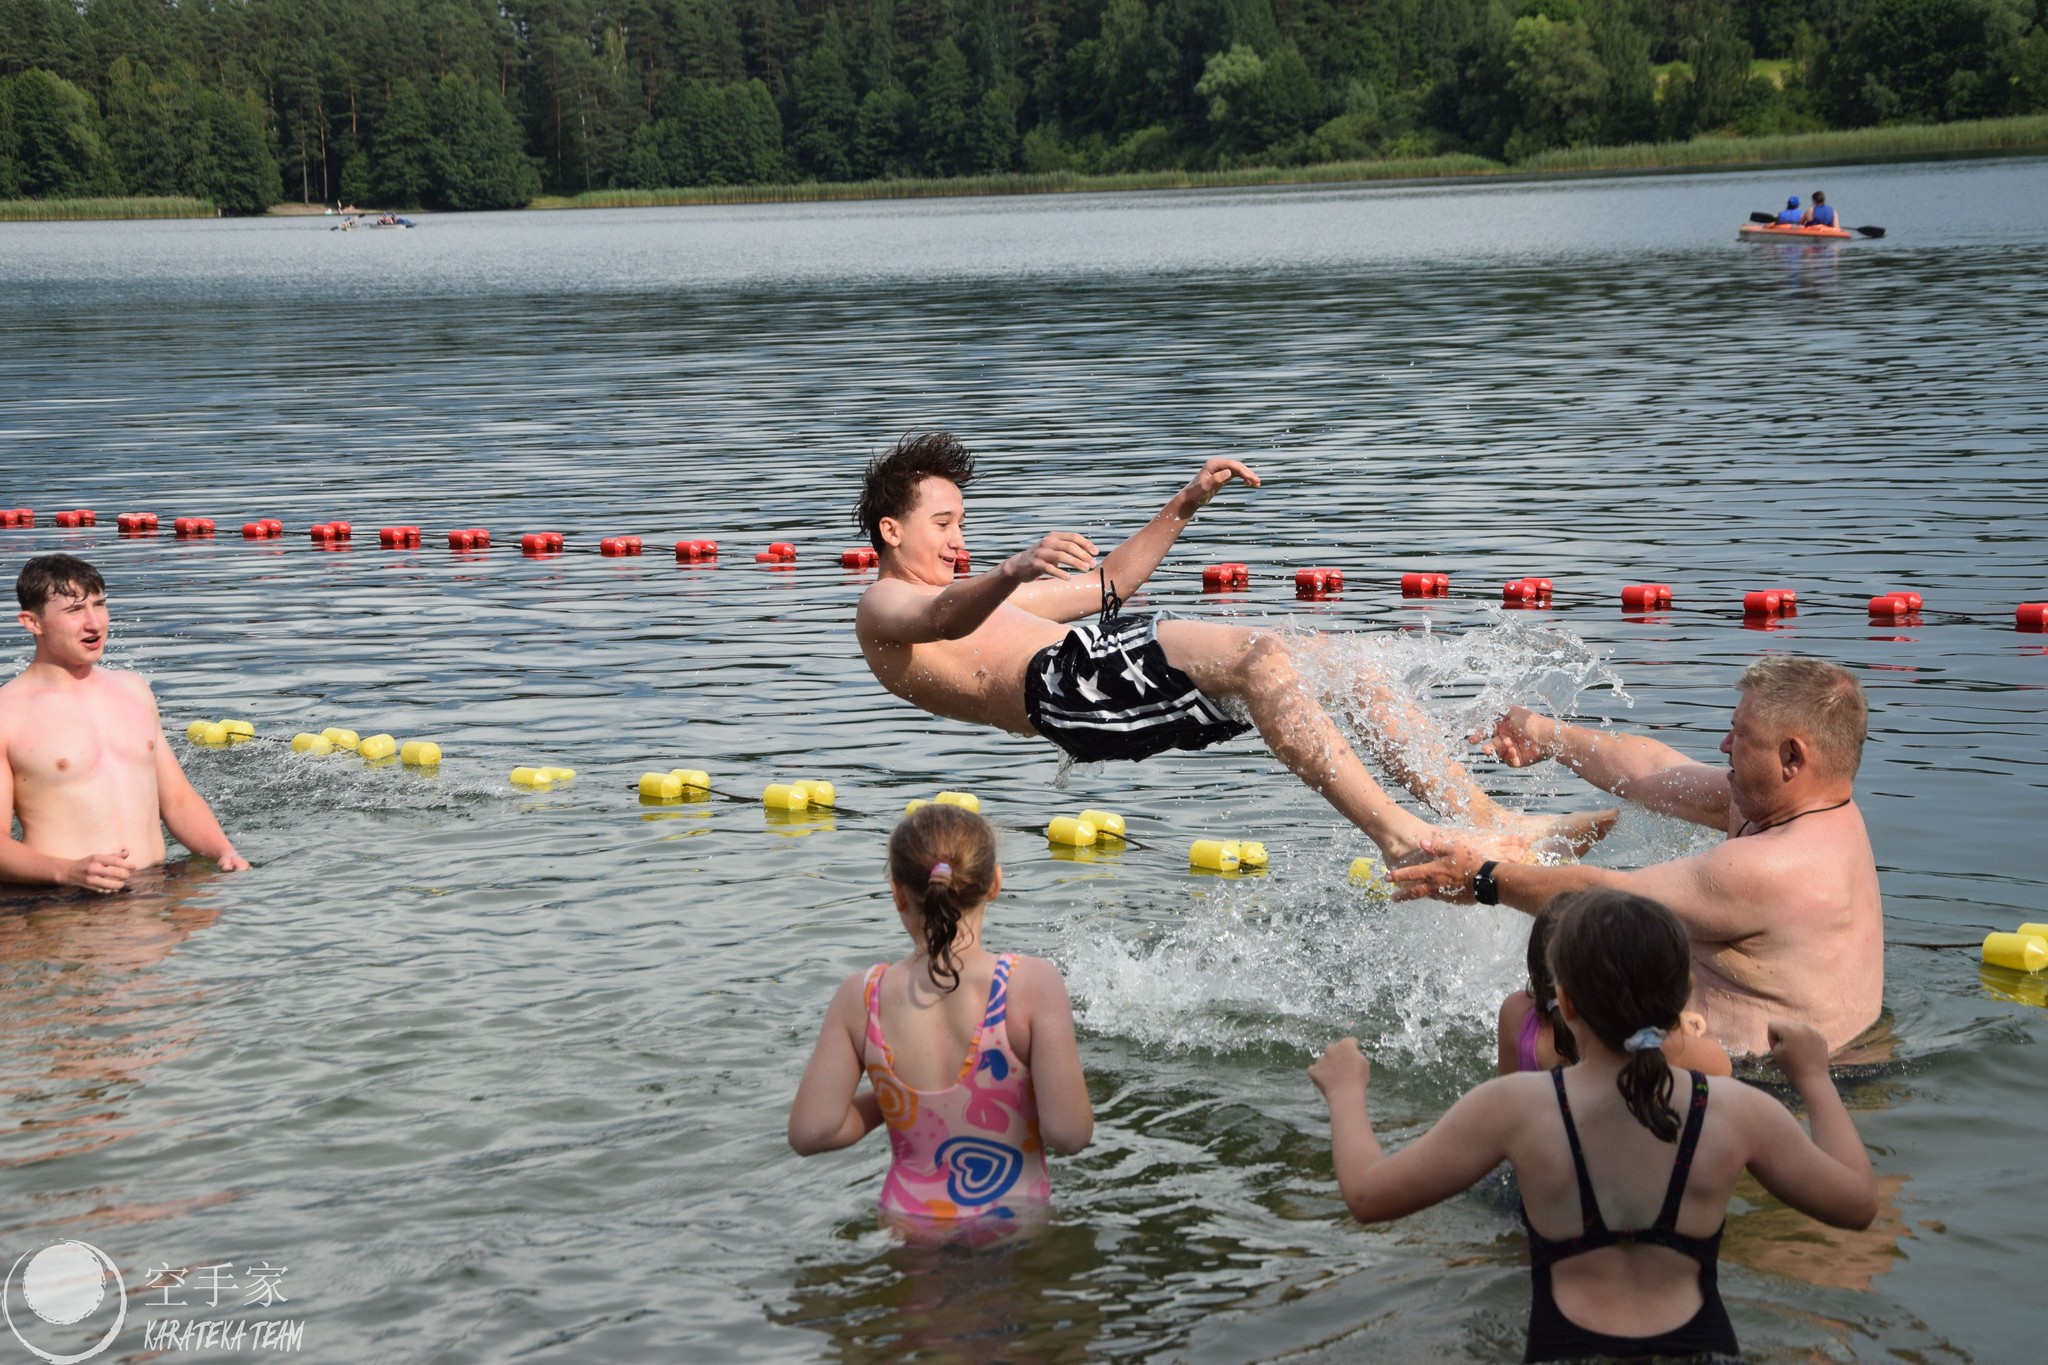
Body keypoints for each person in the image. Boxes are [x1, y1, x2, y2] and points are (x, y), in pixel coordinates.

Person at [851, 432, 1614, 868]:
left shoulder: (993, 592)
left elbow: (1113, 581)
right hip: (1067, 690)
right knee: (1257, 655)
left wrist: (1185, 503)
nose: (959, 539)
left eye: (961, 523)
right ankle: (1402, 838)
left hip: (1099, 658)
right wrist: (1013, 565)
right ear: (893, 531)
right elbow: (944, 618)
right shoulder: (882, 605)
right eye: (944, 524)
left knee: (1334, 660)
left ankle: (1483, 817)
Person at [1310, 889, 1878, 1364]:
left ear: (1565, 1003)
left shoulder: (1515, 1108)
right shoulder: (1734, 1111)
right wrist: (1814, 1078)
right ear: (1682, 998)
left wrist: (1346, 1091)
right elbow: (1856, 1205)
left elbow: (1367, 1195)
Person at [1390, 656, 1882, 1057]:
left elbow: (1606, 901)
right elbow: (1652, 771)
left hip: (1773, 1093)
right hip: (1753, 1072)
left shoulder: (1772, 866)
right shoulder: (1815, 806)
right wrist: (1543, 734)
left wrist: (1481, 878)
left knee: (1527, 1020)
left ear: (1792, 757)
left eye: (1741, 735)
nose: (1724, 745)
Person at [788, 803, 1093, 1231]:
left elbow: (811, 1133)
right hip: (1014, 1224)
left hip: (907, 1222)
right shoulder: (1032, 985)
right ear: (994, 884)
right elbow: (1070, 1135)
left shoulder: (861, 996)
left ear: (897, 893)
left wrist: (898, 1101)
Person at [2, 555, 247, 891]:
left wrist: (224, 851)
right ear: (33, 622)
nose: (94, 623)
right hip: (61, 897)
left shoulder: (133, 689)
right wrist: (67, 871)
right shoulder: (8, 713)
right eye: (75, 611)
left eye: (100, 605)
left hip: (153, 885)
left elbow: (177, 798)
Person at [1498, 896, 1730, 1078]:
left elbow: (1506, 1102)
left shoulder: (1515, 1015)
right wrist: (1673, 1025)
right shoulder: (1669, 1050)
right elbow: (1722, 1068)